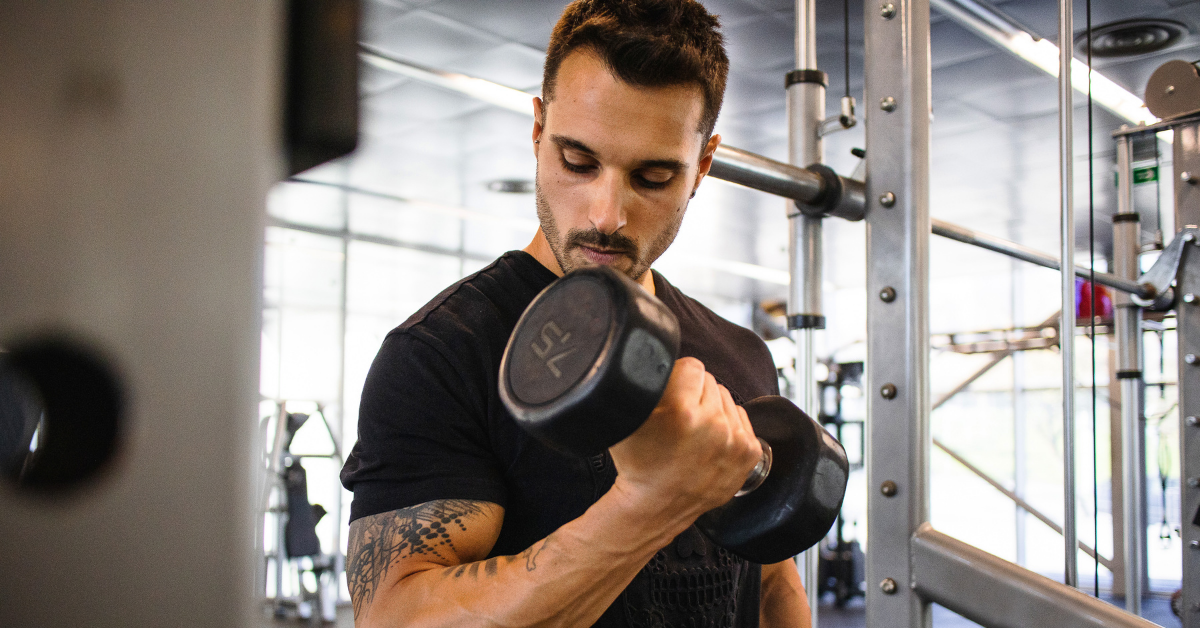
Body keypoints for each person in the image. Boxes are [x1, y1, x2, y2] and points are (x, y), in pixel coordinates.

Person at [339, 1, 812, 626]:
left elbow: (773, 585)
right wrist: (651, 503)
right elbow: (396, 615)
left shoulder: (741, 354)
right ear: (538, 132)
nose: (606, 215)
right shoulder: (443, 353)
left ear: (701, 166)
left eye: (652, 176)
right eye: (578, 162)